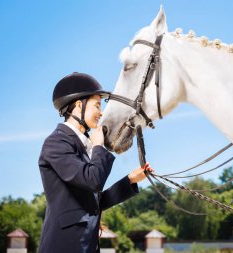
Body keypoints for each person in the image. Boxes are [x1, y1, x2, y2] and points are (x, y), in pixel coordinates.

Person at [38, 72, 152, 253]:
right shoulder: (56, 143)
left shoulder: (83, 147)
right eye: (97, 106)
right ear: (78, 105)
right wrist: (98, 146)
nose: (101, 113)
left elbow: (94, 205)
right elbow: (93, 180)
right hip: (64, 246)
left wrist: (130, 180)